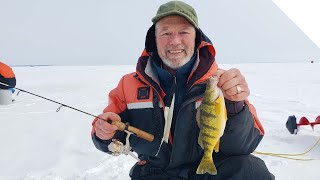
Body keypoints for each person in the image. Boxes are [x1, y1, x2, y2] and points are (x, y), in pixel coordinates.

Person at [91, 1, 274, 179]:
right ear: (154, 40)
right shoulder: (128, 84)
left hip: (210, 171)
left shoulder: (222, 83)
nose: (175, 41)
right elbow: (109, 135)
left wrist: (235, 105)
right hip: (155, 172)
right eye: (166, 33)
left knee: (252, 170)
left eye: (184, 32)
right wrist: (105, 133)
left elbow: (244, 146)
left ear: (197, 38)